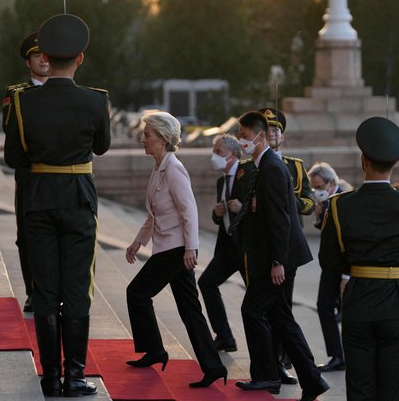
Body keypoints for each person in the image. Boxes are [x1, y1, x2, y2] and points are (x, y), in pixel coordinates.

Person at [4, 13, 110, 397]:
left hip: (38, 201)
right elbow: (101, 147)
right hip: (79, 200)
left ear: (45, 55)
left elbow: (15, 157)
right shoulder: (95, 102)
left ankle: (50, 377)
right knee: (78, 288)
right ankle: (74, 376)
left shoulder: (21, 102)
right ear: (80, 57)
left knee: (45, 290)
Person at [318, 116, 399, 401]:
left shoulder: (339, 205)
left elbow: (329, 261)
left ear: (363, 160)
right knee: (395, 391)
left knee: (360, 388)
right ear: (395, 163)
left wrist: (358, 267)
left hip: (359, 301)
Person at [125, 111, 227, 388]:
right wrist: (138, 242)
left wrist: (191, 249)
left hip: (176, 249)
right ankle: (214, 367)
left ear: (162, 138)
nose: (143, 139)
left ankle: (155, 349)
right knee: (189, 309)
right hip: (169, 247)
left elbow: (189, 211)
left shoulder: (173, 168)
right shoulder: (159, 168)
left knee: (137, 293)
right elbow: (153, 215)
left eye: (147, 135)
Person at [232, 110, 329, 401]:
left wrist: (277, 261)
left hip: (276, 258)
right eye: (240, 137)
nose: (242, 142)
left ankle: (267, 376)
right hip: (273, 255)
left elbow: (280, 218)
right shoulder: (265, 165)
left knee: (252, 310)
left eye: (245, 137)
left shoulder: (272, 167)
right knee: (281, 318)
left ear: (260, 137)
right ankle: (312, 380)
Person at [261, 106, 314, 384]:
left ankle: (280, 361)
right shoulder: (252, 166)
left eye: (276, 130)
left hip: (289, 246)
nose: (272, 134)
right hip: (263, 248)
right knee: (264, 309)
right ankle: (267, 363)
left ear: (282, 136)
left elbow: (309, 202)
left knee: (283, 307)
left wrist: (288, 204)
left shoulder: (294, 166)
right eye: (267, 129)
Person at [2, 31, 49, 312]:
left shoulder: (65, 89)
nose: (42, 61)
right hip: (29, 174)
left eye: (46, 55)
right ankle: (33, 291)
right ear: (27, 62)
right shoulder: (16, 94)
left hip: (58, 174)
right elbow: (13, 137)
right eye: (36, 56)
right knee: (26, 236)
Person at [198, 133, 254, 353]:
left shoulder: (248, 174)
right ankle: (224, 337)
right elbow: (219, 218)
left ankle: (277, 349)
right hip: (227, 247)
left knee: (256, 298)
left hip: (247, 247)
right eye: (214, 152)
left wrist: (243, 209)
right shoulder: (221, 180)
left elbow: (262, 210)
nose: (215, 157)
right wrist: (216, 212)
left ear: (232, 155)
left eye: (219, 152)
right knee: (207, 283)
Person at [307, 161, 349, 373]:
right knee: (325, 306)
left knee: (339, 309)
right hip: (330, 266)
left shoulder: (343, 200)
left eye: (320, 187)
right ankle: (337, 355)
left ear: (332, 183)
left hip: (342, 268)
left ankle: (343, 355)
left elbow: (349, 240)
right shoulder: (327, 202)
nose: (316, 191)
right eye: (314, 187)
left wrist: (347, 275)